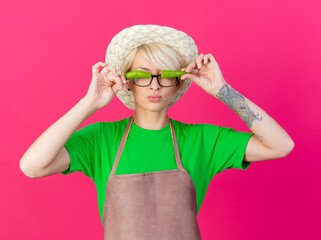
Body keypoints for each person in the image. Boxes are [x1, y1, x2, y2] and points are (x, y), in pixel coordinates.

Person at [20, 24, 294, 239]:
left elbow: (280, 145)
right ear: (127, 82)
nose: (154, 85)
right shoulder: (101, 139)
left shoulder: (201, 140)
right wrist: (88, 103)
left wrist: (223, 91)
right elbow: (32, 166)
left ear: (177, 83)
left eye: (165, 74)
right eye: (142, 75)